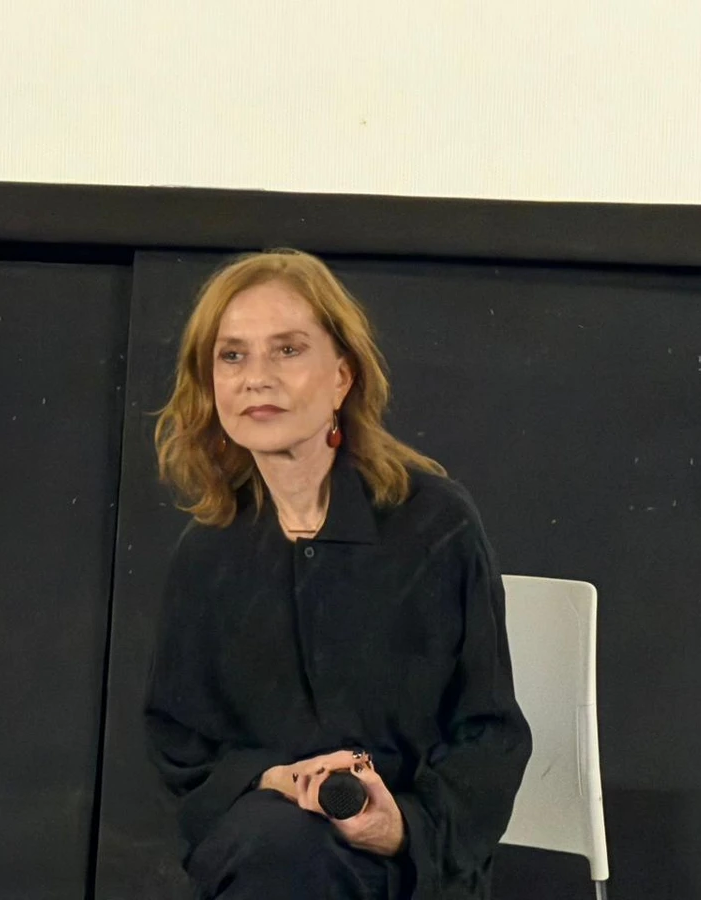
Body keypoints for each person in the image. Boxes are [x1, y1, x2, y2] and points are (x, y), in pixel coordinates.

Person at [145, 249, 531, 900]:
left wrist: (400, 827)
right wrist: (270, 779)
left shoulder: (436, 525)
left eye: (288, 350)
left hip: (406, 865)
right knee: (280, 846)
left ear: (342, 377)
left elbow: (488, 733)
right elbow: (180, 744)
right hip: (258, 847)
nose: (256, 378)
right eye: (232, 356)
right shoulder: (207, 550)